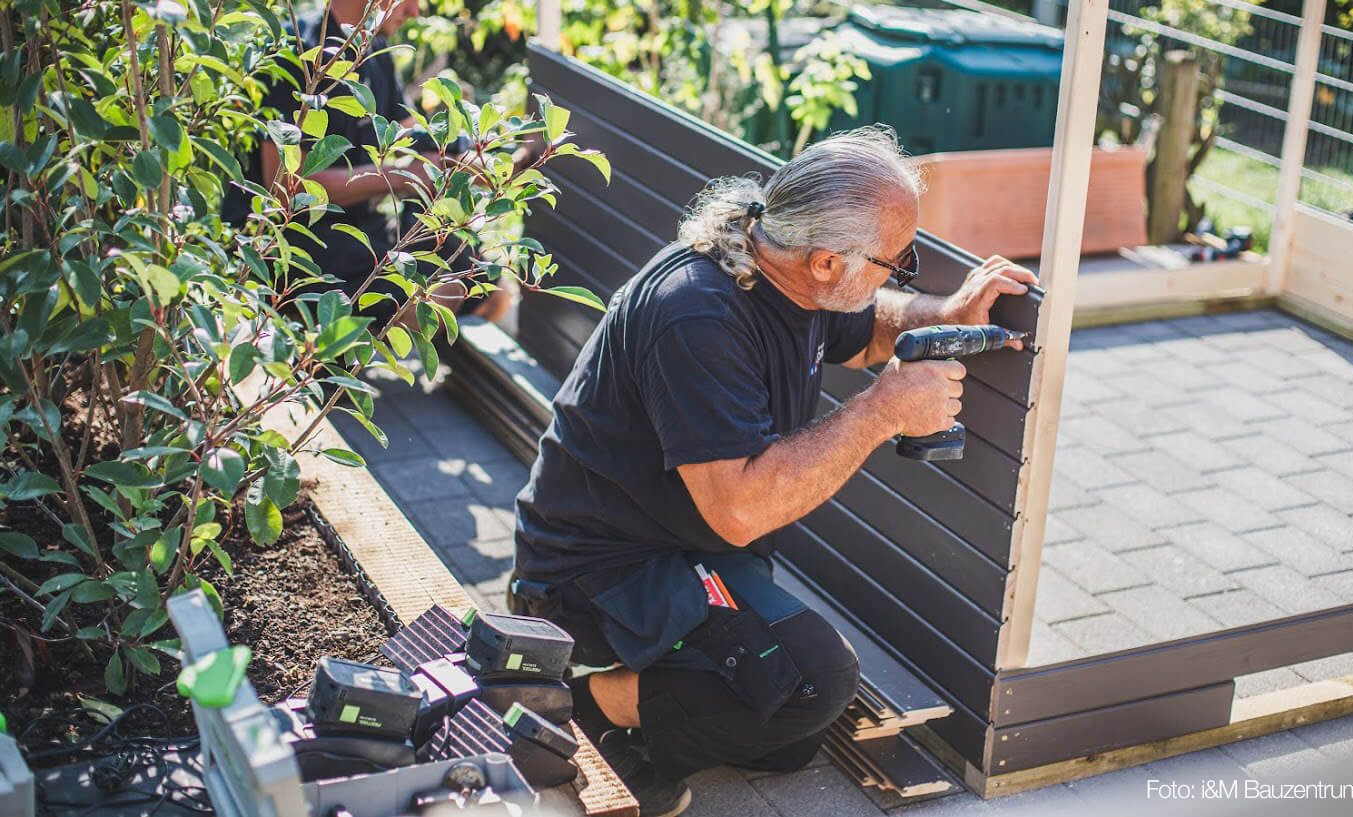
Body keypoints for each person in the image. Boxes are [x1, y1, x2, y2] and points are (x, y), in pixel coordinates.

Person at [507, 126, 1036, 815]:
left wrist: (947, 309)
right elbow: (741, 509)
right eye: (896, 260)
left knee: (785, 737)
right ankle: (576, 706)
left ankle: (654, 699)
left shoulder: (785, 271)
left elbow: (867, 322)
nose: (902, 270)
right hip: (596, 573)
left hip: (679, 545)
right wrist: (881, 411)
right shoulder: (695, 315)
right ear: (822, 261)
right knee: (807, 684)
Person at [222, 0, 516, 325]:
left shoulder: (374, 50)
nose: (416, 12)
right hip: (291, 245)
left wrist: (453, 155)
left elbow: (402, 134)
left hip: (360, 226)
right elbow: (287, 191)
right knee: (432, 301)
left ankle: (441, 368)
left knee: (489, 284)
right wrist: (402, 177)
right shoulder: (298, 54)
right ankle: (338, 368)